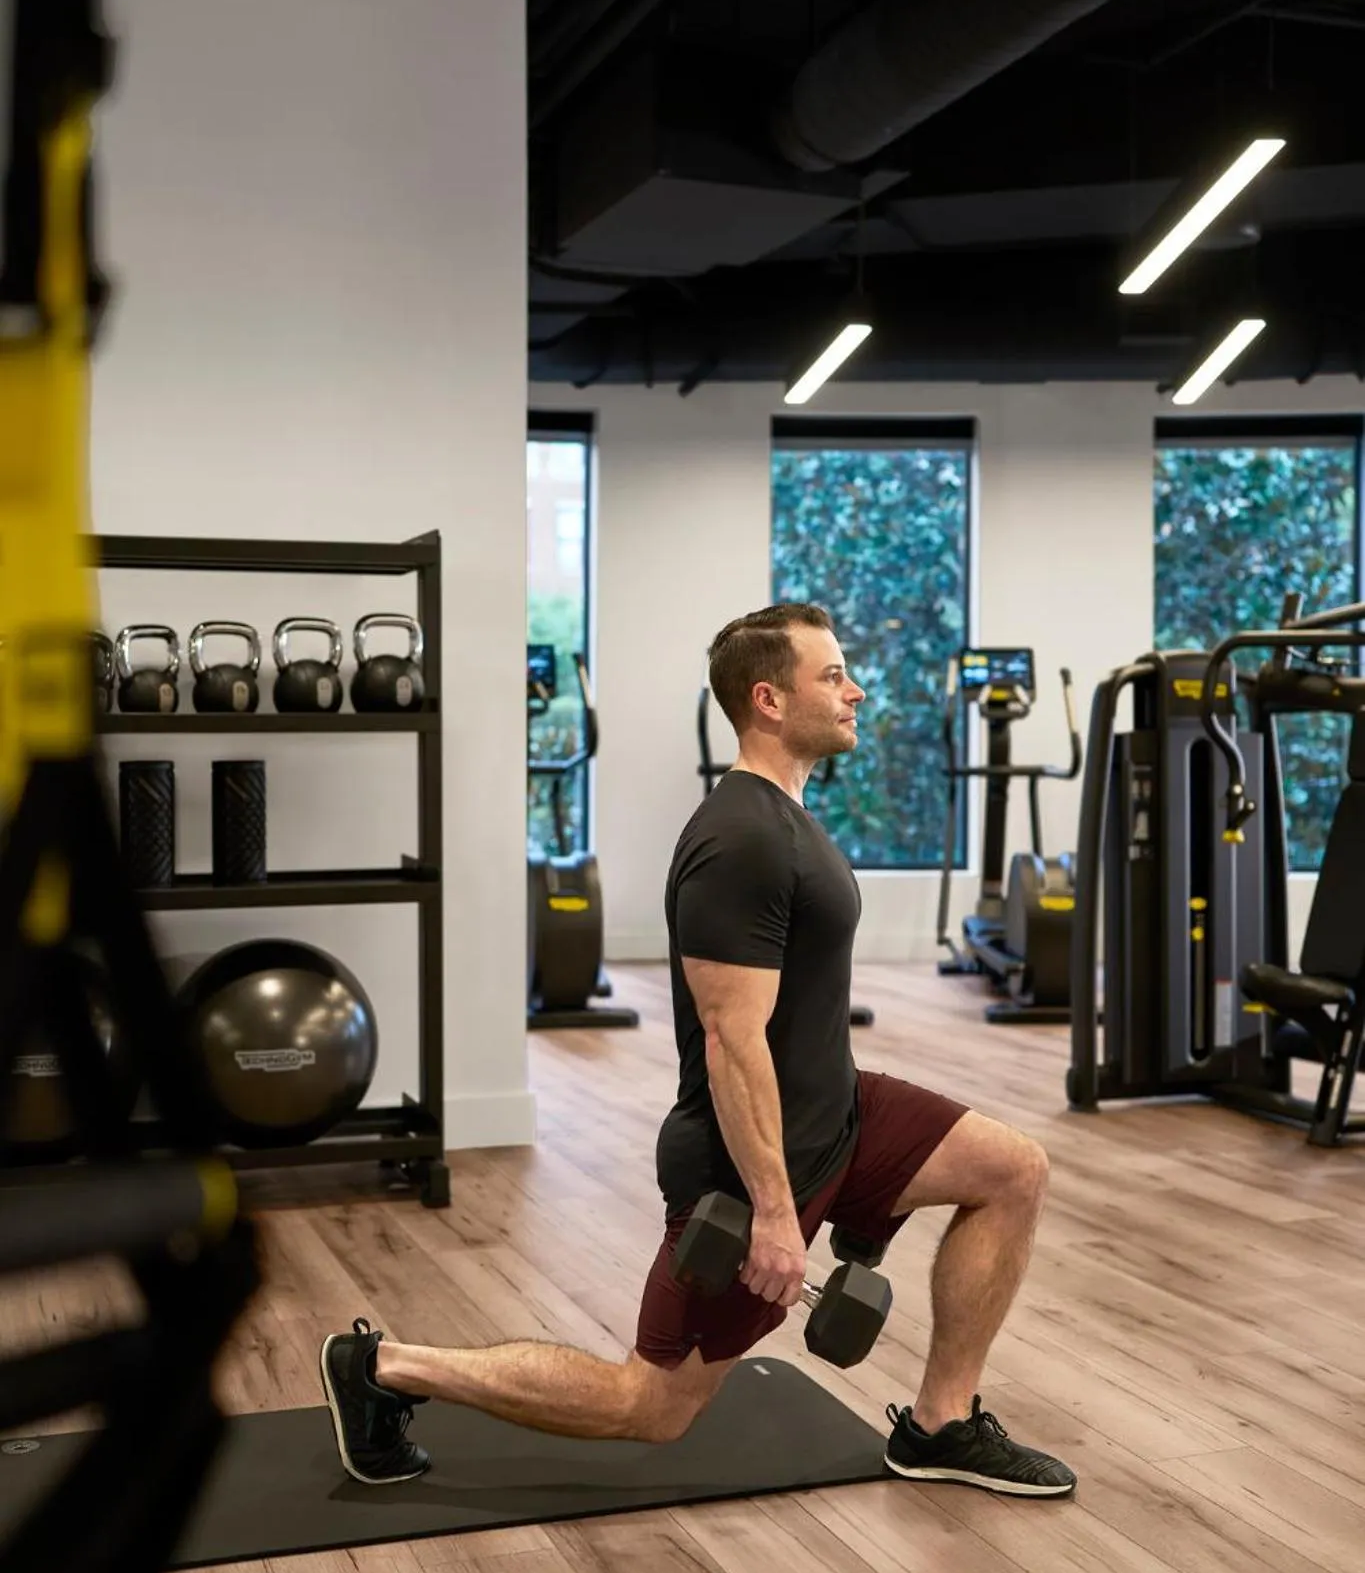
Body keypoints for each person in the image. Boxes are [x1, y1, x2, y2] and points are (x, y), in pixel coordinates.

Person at [319, 603, 1076, 1498]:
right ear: (767, 699)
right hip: (752, 1158)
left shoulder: (784, 815)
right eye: (830, 675)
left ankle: (940, 1427)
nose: (854, 689)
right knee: (649, 1404)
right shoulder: (742, 839)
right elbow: (728, 1037)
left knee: (1010, 1171)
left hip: (836, 1110)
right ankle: (385, 1369)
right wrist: (772, 1211)